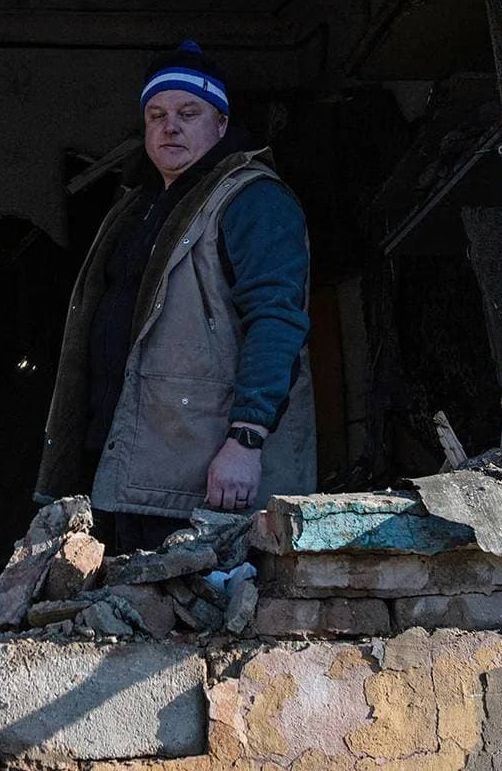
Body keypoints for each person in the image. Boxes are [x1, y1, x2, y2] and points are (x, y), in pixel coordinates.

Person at [34, 41, 316, 554]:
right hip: (132, 470)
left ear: (222, 124)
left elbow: (276, 321)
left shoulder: (253, 200)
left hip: (203, 479)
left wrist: (246, 441)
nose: (171, 126)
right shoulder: (138, 207)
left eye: (189, 113)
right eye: (157, 114)